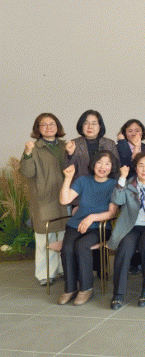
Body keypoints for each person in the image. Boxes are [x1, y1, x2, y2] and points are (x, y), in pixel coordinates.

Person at [106, 153, 145, 310]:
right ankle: (118, 293)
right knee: (124, 248)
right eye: (141, 165)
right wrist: (122, 178)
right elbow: (117, 200)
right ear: (135, 168)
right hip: (131, 226)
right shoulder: (127, 185)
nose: (144, 169)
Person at [58, 151, 119, 306]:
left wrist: (91, 217)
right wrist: (68, 178)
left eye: (107, 163)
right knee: (67, 249)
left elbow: (112, 213)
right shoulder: (83, 180)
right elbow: (64, 200)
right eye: (99, 162)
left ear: (112, 167)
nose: (103, 167)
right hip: (75, 225)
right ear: (93, 164)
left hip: (99, 227)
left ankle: (86, 288)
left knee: (82, 246)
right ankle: (70, 289)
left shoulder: (114, 185)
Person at [20, 113, 69, 286]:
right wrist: (27, 153)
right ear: (38, 129)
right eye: (44, 124)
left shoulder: (65, 146)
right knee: (44, 238)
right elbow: (27, 172)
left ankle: (63, 269)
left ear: (58, 126)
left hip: (64, 197)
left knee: (63, 234)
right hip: (44, 199)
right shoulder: (33, 148)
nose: (49, 127)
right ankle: (45, 275)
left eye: (52, 124)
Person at [64, 110, 119, 181]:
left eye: (94, 123)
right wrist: (70, 155)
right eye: (86, 123)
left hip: (105, 185)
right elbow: (66, 169)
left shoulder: (109, 144)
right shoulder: (73, 144)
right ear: (81, 125)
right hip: (81, 185)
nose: (90, 127)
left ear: (100, 126)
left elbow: (116, 168)